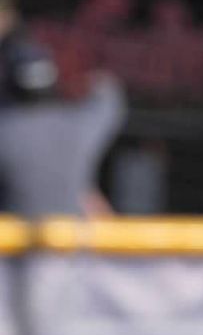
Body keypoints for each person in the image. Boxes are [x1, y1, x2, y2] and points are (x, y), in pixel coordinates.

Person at [0, 30, 123, 219]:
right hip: (71, 245)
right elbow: (107, 91)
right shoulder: (77, 126)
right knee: (89, 198)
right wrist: (74, 78)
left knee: (89, 197)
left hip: (14, 245)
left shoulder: (6, 130)